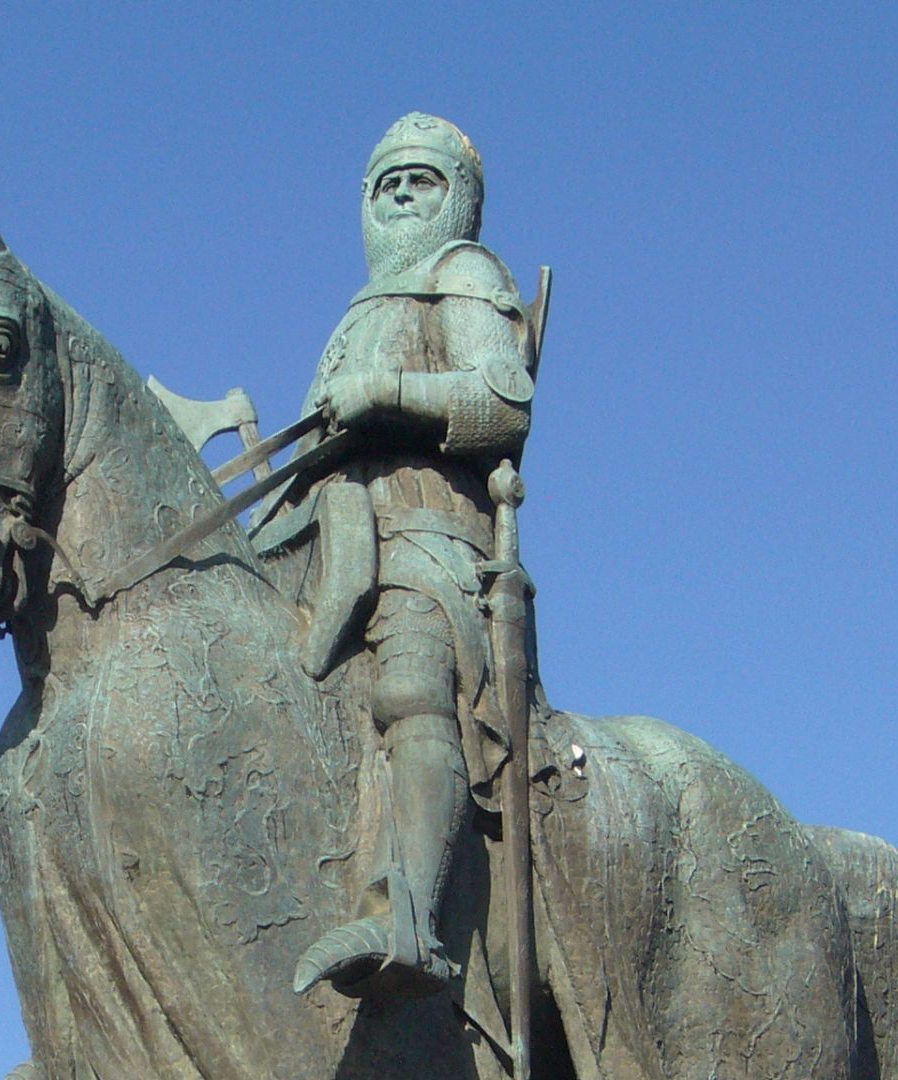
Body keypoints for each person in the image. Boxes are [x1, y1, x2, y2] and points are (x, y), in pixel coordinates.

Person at [253, 113, 536, 998]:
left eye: (423, 180)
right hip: (337, 536)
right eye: (390, 182)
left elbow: (503, 400)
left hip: (428, 534)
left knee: (413, 684)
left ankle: (408, 914)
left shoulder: (465, 273)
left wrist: (387, 391)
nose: (405, 195)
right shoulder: (358, 310)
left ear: (459, 199)